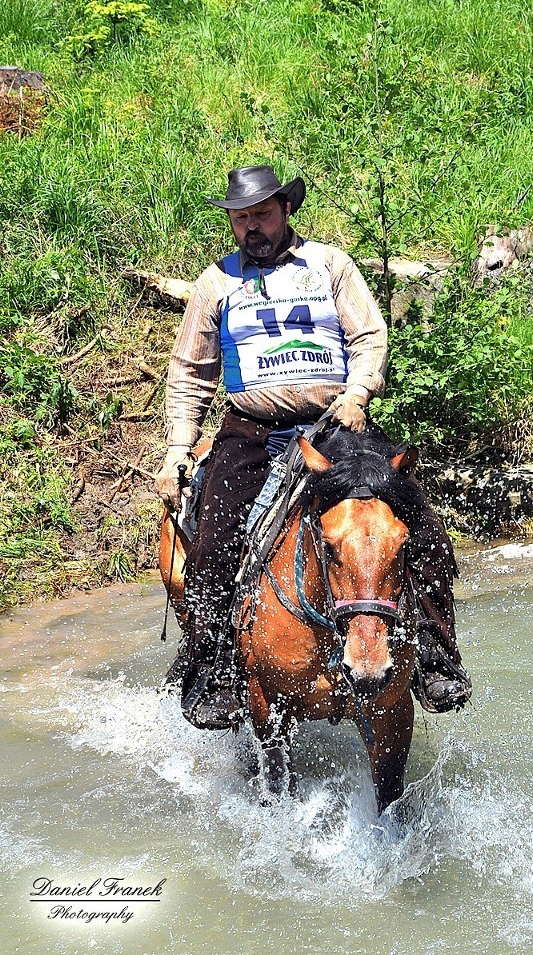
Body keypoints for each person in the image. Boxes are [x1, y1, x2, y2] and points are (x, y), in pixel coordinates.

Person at [155, 165, 471, 730]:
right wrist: (179, 450)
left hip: (335, 426)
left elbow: (370, 337)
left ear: (285, 211)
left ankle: (435, 658)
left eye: (262, 214)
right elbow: (189, 373)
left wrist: (358, 392)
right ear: (231, 220)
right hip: (249, 430)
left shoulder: (329, 265)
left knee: (420, 530)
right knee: (214, 539)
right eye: (242, 217)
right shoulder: (214, 285)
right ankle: (214, 670)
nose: (253, 226)